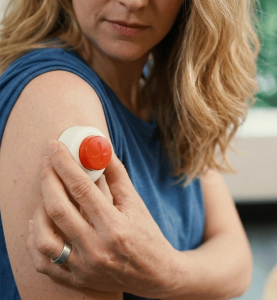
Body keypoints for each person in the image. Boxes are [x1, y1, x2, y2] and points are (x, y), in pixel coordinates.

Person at [0, 0, 259, 299]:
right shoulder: (59, 99)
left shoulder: (163, 94)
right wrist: (188, 275)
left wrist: (165, 272)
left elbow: (237, 262)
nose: (134, 2)